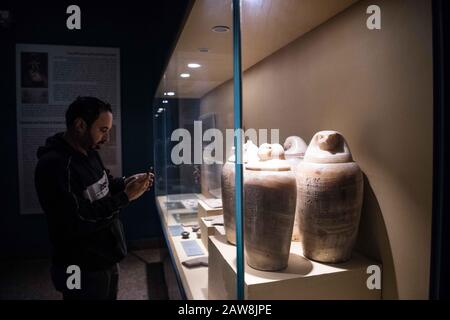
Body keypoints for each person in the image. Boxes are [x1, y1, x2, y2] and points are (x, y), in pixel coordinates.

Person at [34, 96, 154, 300]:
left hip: (105, 256)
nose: (106, 138)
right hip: (79, 263)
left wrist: (126, 182)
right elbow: (79, 219)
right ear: (80, 125)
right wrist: (126, 197)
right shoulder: (54, 166)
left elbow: (105, 185)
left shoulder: (89, 152)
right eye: (103, 130)